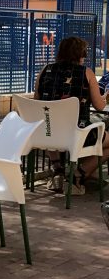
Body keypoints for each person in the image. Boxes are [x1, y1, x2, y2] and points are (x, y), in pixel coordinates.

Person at [34, 36, 109, 193]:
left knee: (52, 124)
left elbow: (37, 103)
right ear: (80, 55)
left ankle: (58, 170)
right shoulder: (86, 73)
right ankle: (78, 175)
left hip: (47, 133)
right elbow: (100, 106)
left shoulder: (45, 70)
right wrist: (105, 96)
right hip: (78, 134)